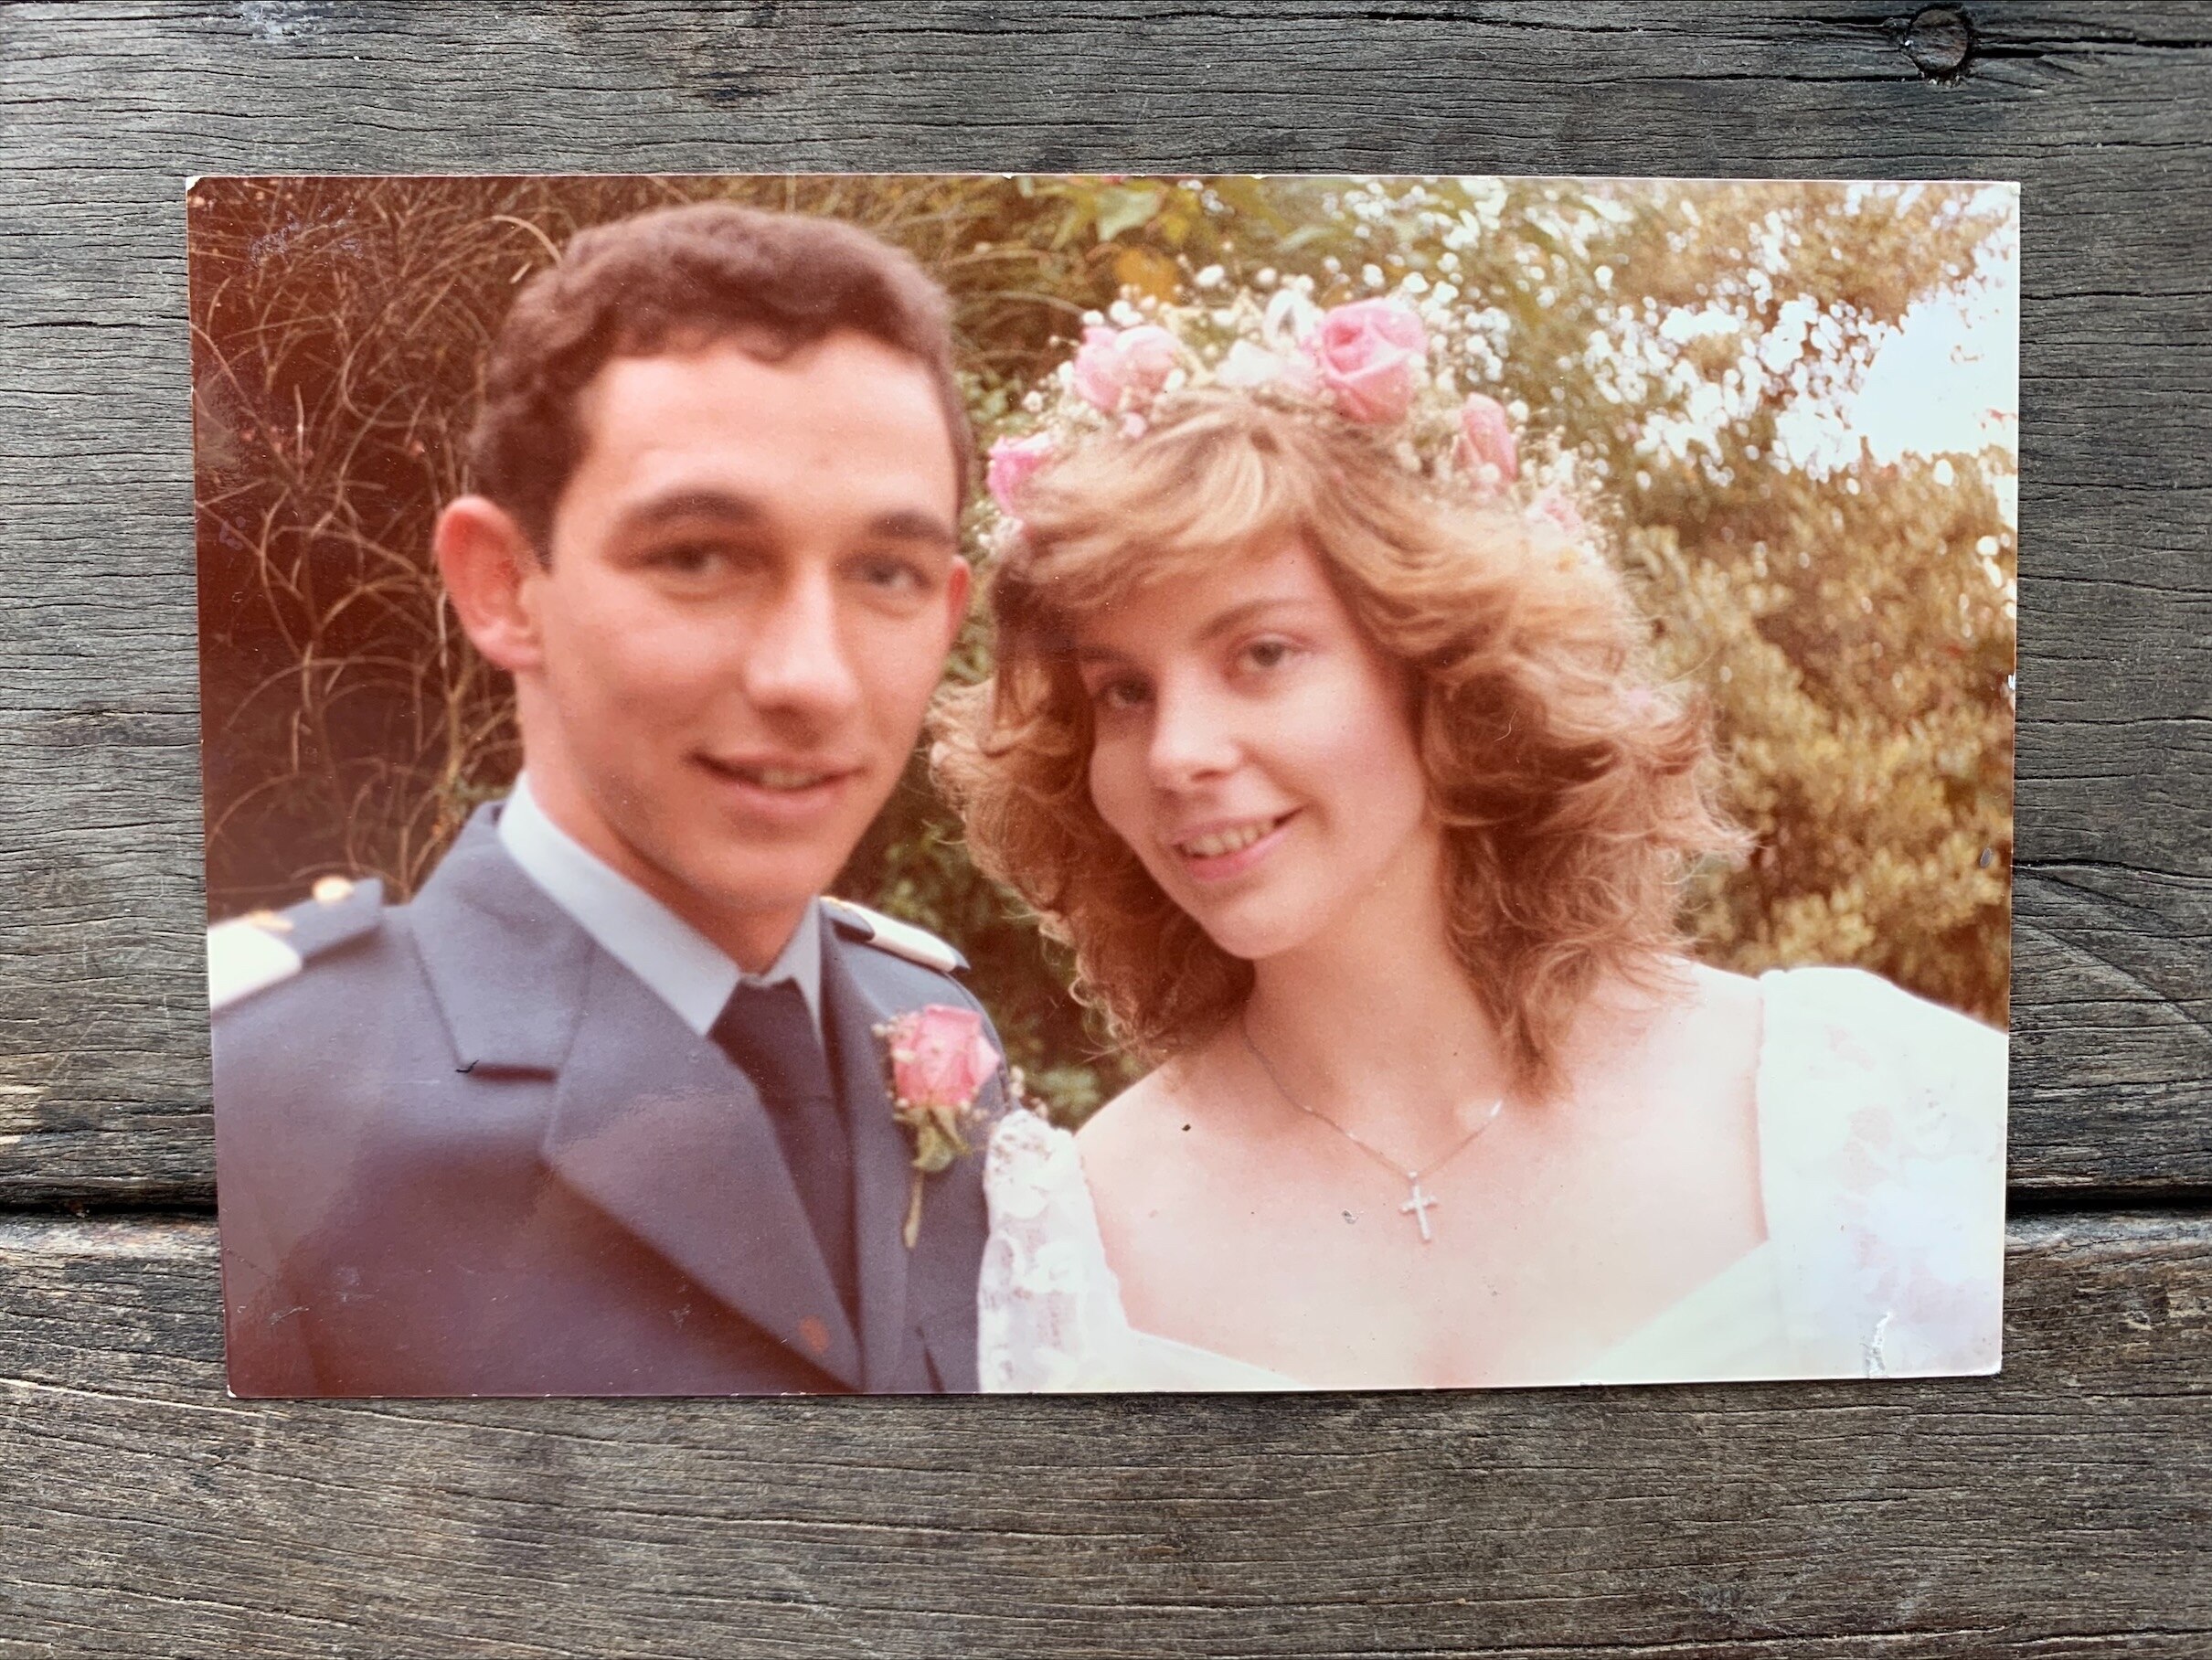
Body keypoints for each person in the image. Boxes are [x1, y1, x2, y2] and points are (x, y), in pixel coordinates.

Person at [934, 286, 2007, 1391]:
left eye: (1260, 654)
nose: (1175, 753)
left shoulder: (1872, 1109)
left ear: (1444, 671)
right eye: (1121, 692)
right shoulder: (1066, 1245)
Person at [209, 202, 1009, 1397]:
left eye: (884, 572)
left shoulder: (938, 1027)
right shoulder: (253, 1104)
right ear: (502, 586)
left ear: (945, 616)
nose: (812, 677)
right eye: (699, 556)